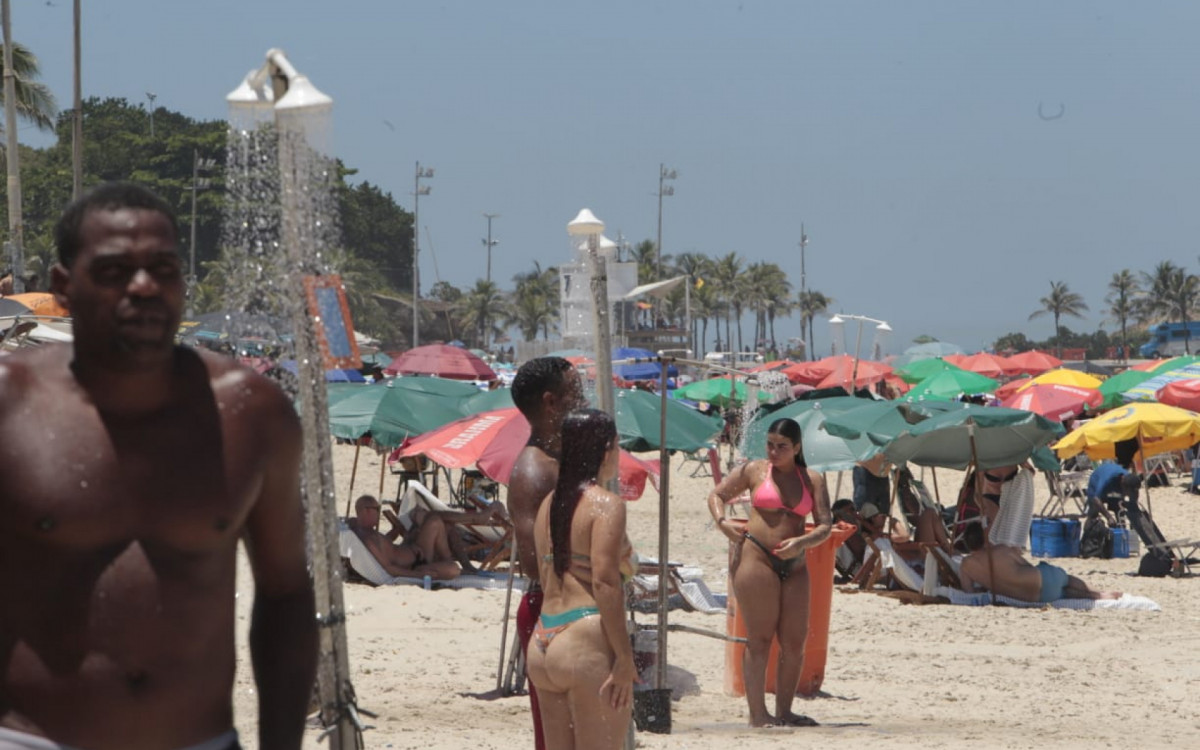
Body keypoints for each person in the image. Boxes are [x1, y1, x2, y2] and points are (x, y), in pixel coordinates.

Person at [0, 183, 316, 749]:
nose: (144, 286)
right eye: (116, 270)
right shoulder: (11, 406)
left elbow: (287, 592)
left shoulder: (249, 414)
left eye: (163, 268)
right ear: (63, 288)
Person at [707, 417, 832, 728]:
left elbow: (826, 526)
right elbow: (716, 495)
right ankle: (758, 714)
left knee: (794, 641)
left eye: (782, 447)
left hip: (796, 562)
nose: (774, 452)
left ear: (797, 448)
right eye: (770, 445)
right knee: (759, 639)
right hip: (757, 557)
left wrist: (802, 541)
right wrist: (723, 523)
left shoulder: (813, 479)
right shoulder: (755, 471)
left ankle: (785, 710)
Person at [524, 409, 636, 750]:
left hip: (543, 640)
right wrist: (624, 656)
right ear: (605, 449)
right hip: (584, 638)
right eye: (617, 446)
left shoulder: (547, 505)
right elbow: (604, 582)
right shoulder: (606, 504)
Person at [507, 357, 586, 750]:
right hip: (551, 609)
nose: (584, 396)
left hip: (568, 606)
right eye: (577, 389)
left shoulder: (560, 460)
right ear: (552, 402)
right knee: (558, 734)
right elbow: (531, 561)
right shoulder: (534, 470)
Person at [958, 524, 1121, 601]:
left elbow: (969, 592)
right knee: (1067, 580)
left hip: (1037, 597)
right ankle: (1099, 593)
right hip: (1042, 577)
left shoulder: (965, 565)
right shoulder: (1002, 550)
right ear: (985, 537)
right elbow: (1026, 566)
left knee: (1064, 594)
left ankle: (1092, 596)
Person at [347, 495, 464, 580]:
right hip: (415, 565)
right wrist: (419, 575)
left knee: (436, 522)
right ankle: (448, 560)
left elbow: (386, 545)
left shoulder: (363, 530)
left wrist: (396, 529)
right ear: (366, 510)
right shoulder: (368, 538)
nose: (378, 513)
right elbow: (389, 568)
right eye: (377, 509)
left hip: (413, 551)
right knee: (435, 522)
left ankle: (448, 560)